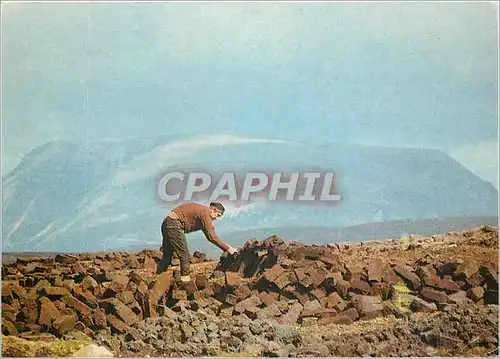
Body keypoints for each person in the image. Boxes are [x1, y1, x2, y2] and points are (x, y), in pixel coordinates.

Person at [156, 202, 237, 281]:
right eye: (217, 215)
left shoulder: (202, 211)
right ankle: (185, 282)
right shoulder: (205, 213)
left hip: (167, 223)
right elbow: (212, 237)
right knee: (185, 256)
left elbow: (210, 234)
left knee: (166, 257)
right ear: (213, 210)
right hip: (174, 224)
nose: (216, 218)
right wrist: (229, 249)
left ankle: (156, 276)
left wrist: (227, 248)